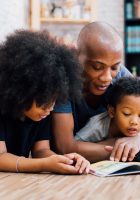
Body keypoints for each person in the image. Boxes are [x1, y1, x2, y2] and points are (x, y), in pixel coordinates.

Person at [52, 22, 140, 163]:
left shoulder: (120, 74)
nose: (107, 77)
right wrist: (122, 147)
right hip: (79, 146)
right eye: (97, 67)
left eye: (114, 67)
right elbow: (65, 147)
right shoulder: (63, 79)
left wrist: (139, 139)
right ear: (77, 56)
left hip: (96, 148)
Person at [0, 30, 90, 174]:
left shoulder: (41, 113)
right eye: (44, 101)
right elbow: (1, 157)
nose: (50, 108)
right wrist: (43, 165)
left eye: (54, 100)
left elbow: (41, 150)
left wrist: (65, 161)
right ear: (21, 91)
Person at [75, 77, 140, 161]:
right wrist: (109, 143)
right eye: (127, 113)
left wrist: (138, 141)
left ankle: (132, 155)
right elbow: (74, 145)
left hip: (124, 155)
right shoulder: (96, 126)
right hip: (99, 153)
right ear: (112, 111)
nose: (134, 122)